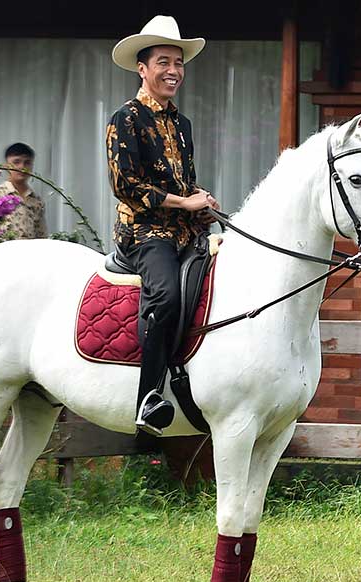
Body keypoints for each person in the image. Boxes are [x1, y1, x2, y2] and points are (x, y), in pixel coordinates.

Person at [107, 15, 219, 435]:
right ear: (143, 68)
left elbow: (183, 181)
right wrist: (182, 202)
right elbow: (125, 185)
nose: (174, 71)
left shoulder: (182, 125)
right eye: (164, 62)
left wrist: (201, 200)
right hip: (142, 232)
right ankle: (148, 397)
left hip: (186, 231)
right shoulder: (125, 118)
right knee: (168, 297)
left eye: (179, 62)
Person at [0, 142, 46, 239]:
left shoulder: (37, 201)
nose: (22, 167)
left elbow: (41, 236)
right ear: (6, 165)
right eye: (16, 162)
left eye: (27, 163)